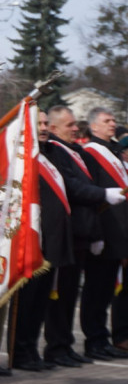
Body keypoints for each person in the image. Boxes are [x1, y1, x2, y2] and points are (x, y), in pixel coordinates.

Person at [43, 106, 113, 367]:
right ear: (53, 128)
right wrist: (103, 195)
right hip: (68, 234)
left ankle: (65, 345)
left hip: (84, 232)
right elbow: (73, 187)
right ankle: (56, 347)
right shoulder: (56, 151)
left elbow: (90, 184)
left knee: (70, 293)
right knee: (59, 296)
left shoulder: (77, 152)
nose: (76, 128)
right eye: (70, 125)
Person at [9, 109, 73, 371]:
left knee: (40, 302)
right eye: (40, 123)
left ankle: (31, 350)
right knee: (26, 302)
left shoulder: (52, 154)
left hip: (50, 242)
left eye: (47, 123)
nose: (45, 127)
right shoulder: (20, 155)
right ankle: (20, 352)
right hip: (29, 241)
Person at [78, 107, 128, 360]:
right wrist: (95, 234)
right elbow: (92, 197)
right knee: (95, 290)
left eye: (113, 119)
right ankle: (94, 340)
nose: (113, 124)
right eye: (107, 121)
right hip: (103, 232)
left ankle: (102, 338)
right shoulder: (91, 153)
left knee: (107, 289)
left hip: (117, 234)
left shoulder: (112, 152)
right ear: (94, 126)